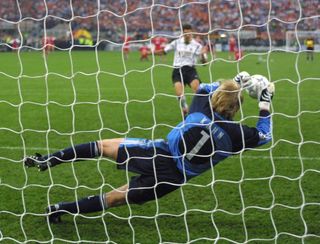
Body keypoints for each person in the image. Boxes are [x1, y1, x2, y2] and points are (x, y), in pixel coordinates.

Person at [24, 72, 275, 224]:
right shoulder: (237, 134)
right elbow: (265, 135)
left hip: (158, 152)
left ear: (217, 98)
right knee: (112, 199)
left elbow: (205, 88)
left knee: (102, 146)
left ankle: (49, 160)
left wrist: (237, 80)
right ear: (236, 109)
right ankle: (59, 209)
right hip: (174, 178)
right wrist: (264, 103)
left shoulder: (201, 105)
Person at [162, 24, 207, 116]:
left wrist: (202, 55)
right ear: (182, 33)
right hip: (177, 70)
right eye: (185, 33)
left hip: (190, 70)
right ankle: (184, 108)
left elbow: (205, 63)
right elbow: (164, 51)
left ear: (192, 33)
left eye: (189, 33)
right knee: (179, 94)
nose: (187, 35)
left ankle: (201, 110)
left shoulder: (198, 45)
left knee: (198, 91)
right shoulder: (176, 42)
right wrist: (149, 52)